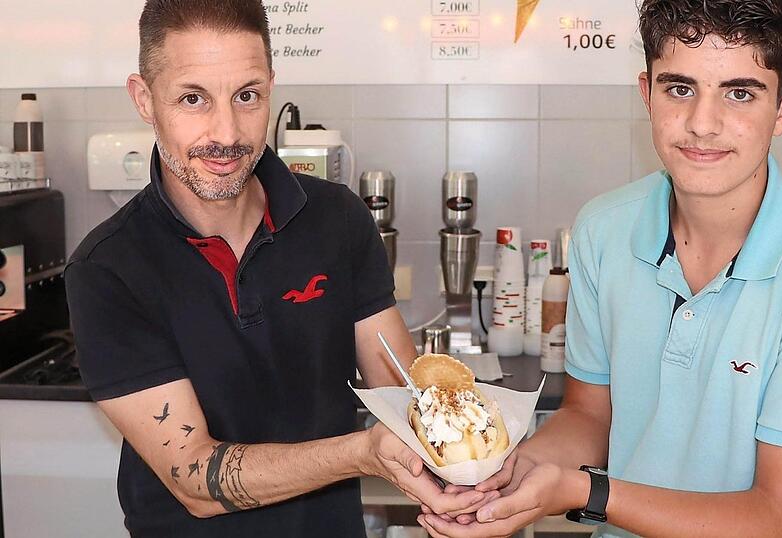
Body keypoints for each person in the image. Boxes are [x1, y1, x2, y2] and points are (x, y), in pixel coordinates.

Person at [418, 1, 782, 537]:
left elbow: (781, 523)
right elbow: (589, 416)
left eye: (739, 93)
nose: (701, 125)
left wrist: (582, 491)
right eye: (680, 88)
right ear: (647, 93)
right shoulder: (603, 230)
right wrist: (510, 475)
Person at [64, 1, 490, 536]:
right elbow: (196, 478)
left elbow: (399, 387)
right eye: (193, 99)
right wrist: (363, 453)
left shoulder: (337, 218)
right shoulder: (107, 269)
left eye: (247, 96)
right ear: (145, 99)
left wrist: (460, 476)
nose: (227, 132)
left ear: (271, 85)